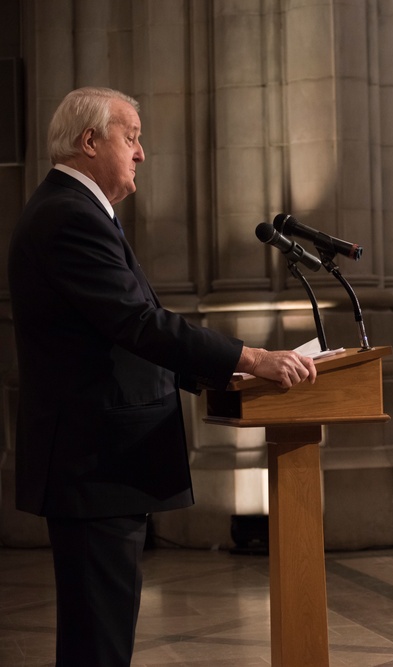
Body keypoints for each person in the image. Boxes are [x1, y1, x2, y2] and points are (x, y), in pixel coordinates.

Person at [7, 87, 319, 666]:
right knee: (97, 644)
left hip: (101, 463)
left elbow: (121, 334)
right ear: (89, 141)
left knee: (99, 637)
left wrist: (218, 376)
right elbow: (138, 323)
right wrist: (250, 359)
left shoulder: (72, 211)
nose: (142, 153)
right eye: (132, 137)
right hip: (96, 463)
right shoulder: (68, 217)